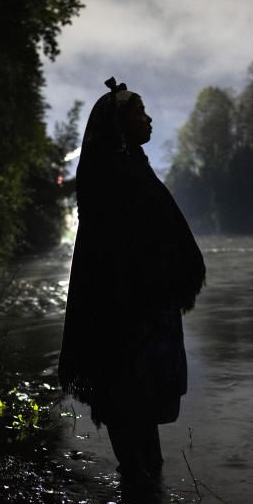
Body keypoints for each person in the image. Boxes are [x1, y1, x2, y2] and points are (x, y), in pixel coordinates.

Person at [58, 77, 205, 482]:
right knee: (125, 392)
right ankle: (138, 494)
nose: (149, 118)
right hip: (122, 309)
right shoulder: (111, 172)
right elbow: (118, 246)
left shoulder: (133, 166)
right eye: (139, 111)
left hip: (145, 305)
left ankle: (147, 487)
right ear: (121, 124)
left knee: (143, 399)